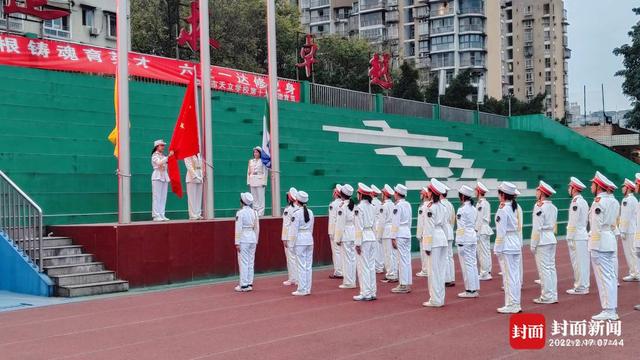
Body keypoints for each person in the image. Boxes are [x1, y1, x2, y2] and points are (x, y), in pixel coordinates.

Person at [589, 171, 621, 320]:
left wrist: (593, 247)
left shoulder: (598, 202)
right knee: (610, 276)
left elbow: (596, 225)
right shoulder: (613, 201)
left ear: (598, 186)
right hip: (609, 239)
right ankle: (611, 308)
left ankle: (609, 310)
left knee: (604, 277)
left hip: (600, 241)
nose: (591, 186)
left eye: (592, 184)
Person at [494, 182, 522, 314]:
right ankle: (515, 302)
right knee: (514, 276)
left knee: (508, 276)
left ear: (503, 195)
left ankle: (511, 304)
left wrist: (497, 248)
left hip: (507, 244)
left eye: (500, 193)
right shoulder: (514, 207)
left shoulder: (503, 209)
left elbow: (501, 232)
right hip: (515, 243)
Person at [530, 181, 559, 304]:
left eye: (538, 190)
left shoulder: (539, 206)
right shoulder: (553, 207)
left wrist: (533, 243)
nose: (536, 192)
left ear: (541, 193)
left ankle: (547, 295)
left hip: (542, 239)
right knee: (551, 268)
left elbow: (537, 227)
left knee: (544, 269)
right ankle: (553, 294)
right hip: (551, 237)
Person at [421, 179, 448, 307]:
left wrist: (426, 245)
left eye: (429, 191)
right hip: (442, 238)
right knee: (440, 271)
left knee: (433, 271)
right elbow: (444, 225)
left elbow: (429, 228)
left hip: (434, 240)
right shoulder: (442, 206)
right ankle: (440, 298)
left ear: (432, 193)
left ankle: (435, 299)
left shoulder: (429, 207)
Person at [565, 177, 590, 295]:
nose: (568, 189)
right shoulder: (583, 201)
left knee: (578, 263)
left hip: (576, 236)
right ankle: (583, 285)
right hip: (582, 234)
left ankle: (581, 286)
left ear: (574, 189)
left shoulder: (575, 202)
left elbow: (573, 222)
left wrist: (569, 236)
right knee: (583, 262)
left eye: (570, 187)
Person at [354, 183, 378, 301]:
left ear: (361, 194)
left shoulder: (359, 208)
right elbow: (375, 224)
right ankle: (372, 291)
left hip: (363, 237)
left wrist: (357, 243)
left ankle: (365, 292)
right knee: (371, 265)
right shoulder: (372, 207)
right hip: (372, 236)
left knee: (363, 266)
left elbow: (358, 227)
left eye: (358, 193)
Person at [456, 185, 480, 298]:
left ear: (462, 196)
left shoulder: (461, 209)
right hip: (472, 236)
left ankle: (470, 290)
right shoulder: (474, 208)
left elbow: (461, 227)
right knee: (473, 263)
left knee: (467, 264)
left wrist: (459, 241)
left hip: (465, 237)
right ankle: (474, 288)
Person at [288, 191, 314, 296]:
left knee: (301, 265)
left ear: (297, 201)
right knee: (308, 266)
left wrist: (291, 244)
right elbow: (311, 228)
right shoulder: (311, 212)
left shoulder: (296, 213)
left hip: (300, 240)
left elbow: (293, 231)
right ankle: (307, 288)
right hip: (309, 239)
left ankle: (302, 289)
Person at [234, 192, 259, 292]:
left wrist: (237, 242)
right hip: (252, 237)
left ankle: (243, 284)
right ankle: (249, 282)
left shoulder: (240, 213)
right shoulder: (255, 212)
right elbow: (257, 228)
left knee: (243, 261)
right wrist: (256, 239)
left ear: (242, 202)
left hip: (244, 237)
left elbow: (238, 228)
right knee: (250, 261)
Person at [391, 184, 413, 294]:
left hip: (400, 233)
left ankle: (403, 284)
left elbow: (395, 222)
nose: (394, 195)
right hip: (407, 232)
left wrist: (393, 237)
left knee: (401, 260)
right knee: (407, 259)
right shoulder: (408, 204)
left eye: (395, 193)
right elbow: (409, 221)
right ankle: (407, 282)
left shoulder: (398, 206)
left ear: (397, 194)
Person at [335, 184, 357, 289]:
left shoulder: (342, 207)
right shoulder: (354, 206)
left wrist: (337, 238)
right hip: (353, 233)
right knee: (352, 259)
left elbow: (340, 224)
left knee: (346, 259)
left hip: (346, 234)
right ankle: (352, 280)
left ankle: (348, 282)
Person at [619, 178, 639, 282]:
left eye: (623, 186)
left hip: (628, 230)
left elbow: (625, 217)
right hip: (633, 228)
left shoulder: (626, 200)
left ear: (628, 188)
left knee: (630, 252)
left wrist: (622, 230)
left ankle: (634, 273)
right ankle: (635, 272)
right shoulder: (634, 199)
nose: (622, 188)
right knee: (633, 252)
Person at [379, 184, 399, 283]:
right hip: (394, 229)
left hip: (386, 231)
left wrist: (379, 235)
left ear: (384, 194)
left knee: (387, 254)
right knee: (394, 254)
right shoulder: (394, 204)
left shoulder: (384, 206)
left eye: (382, 193)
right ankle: (394, 273)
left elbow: (381, 222)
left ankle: (390, 274)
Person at [475, 182, 494, 280]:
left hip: (482, 229)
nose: (475, 192)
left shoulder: (480, 204)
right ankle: (488, 270)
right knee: (486, 251)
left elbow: (479, 219)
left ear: (478, 192)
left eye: (476, 190)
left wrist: (476, 231)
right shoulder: (486, 203)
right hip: (486, 229)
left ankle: (484, 273)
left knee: (482, 252)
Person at [151, 139, 173, 221]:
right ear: (157, 146)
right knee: (157, 197)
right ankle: (156, 215)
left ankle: (161, 214)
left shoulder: (163, 156)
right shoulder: (154, 155)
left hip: (164, 176)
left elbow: (166, 163)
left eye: (163, 145)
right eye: (161, 145)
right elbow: (159, 163)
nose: (163, 147)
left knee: (163, 197)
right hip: (157, 176)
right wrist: (168, 157)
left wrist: (170, 157)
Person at [281, 188, 299, 286]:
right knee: (298, 258)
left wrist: (284, 238)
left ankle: (293, 278)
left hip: (289, 236)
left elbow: (286, 225)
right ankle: (297, 278)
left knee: (291, 258)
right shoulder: (299, 208)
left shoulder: (288, 210)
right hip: (298, 236)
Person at [328, 184, 344, 279]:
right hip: (344, 230)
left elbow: (332, 219)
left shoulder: (333, 205)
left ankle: (338, 271)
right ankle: (343, 270)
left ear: (336, 193)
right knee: (343, 251)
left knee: (336, 252)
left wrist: (331, 232)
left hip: (335, 230)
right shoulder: (344, 204)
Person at [247, 146, 268, 216]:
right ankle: (255, 211)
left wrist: (264, 182)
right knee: (254, 197)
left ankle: (261, 212)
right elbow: (248, 172)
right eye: (254, 152)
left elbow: (265, 172)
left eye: (257, 152)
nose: (255, 153)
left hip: (260, 180)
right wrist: (248, 181)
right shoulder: (251, 161)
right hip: (252, 180)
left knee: (261, 197)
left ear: (260, 153)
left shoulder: (263, 161)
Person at [441, 187, 456, 287]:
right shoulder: (450, 204)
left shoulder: (441, 204)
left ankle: (446, 278)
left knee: (445, 256)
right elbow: (453, 218)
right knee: (450, 256)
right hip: (450, 230)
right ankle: (451, 277)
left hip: (444, 231)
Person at [415, 187, 430, 278]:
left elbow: (420, 222)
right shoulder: (431, 205)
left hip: (424, 233)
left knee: (424, 252)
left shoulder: (422, 207)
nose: (420, 195)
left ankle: (425, 270)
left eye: (421, 193)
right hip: (430, 232)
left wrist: (418, 234)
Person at [370, 185, 385, 274]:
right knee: (380, 247)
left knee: (376, 248)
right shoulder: (380, 202)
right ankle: (380, 266)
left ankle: (378, 267)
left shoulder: (372, 203)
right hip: (379, 226)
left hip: (375, 226)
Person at [184, 154, 203, 220]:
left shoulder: (198, 154)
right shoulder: (187, 154)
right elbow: (189, 166)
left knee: (198, 197)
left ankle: (198, 213)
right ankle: (192, 215)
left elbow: (198, 166)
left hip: (200, 178)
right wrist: (195, 176)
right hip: (191, 178)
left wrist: (201, 175)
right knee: (192, 198)